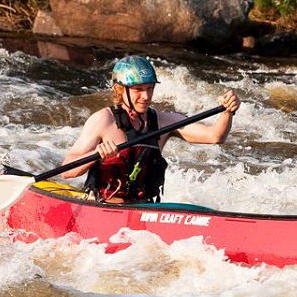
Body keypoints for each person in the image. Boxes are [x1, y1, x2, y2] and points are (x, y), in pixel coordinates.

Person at [61, 55, 240, 203]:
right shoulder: (103, 120)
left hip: (144, 209)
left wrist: (228, 111)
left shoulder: (164, 121)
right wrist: (95, 154)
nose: (146, 96)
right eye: (138, 89)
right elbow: (67, 171)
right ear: (119, 89)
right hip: (102, 206)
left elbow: (215, 136)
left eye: (150, 88)